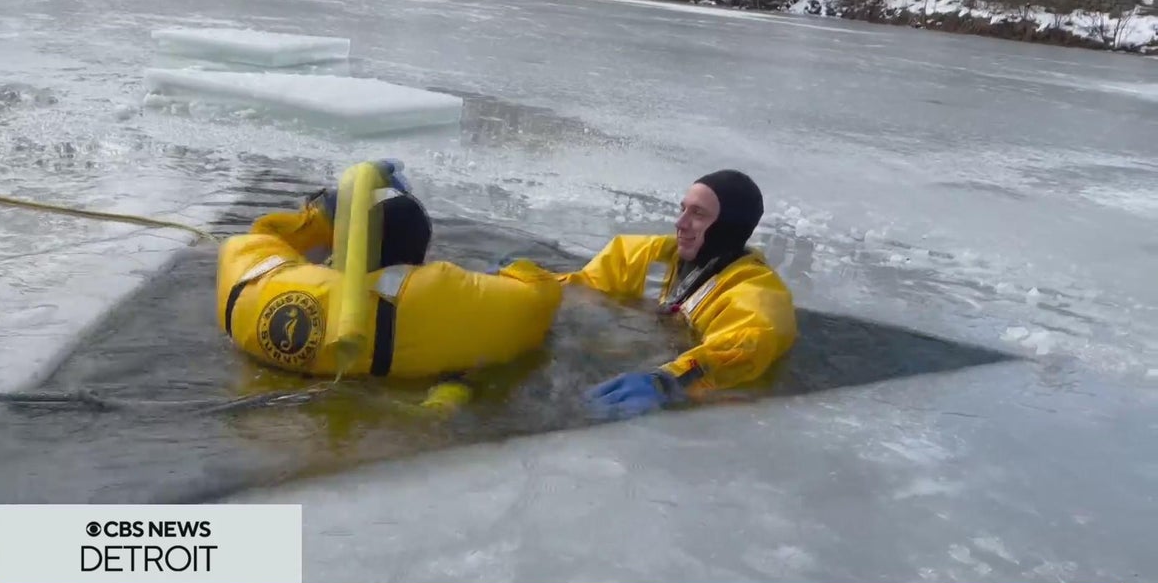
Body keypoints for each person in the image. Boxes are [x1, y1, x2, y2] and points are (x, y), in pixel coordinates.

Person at [215, 160, 563, 410]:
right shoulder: (435, 301)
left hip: (261, 391)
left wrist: (326, 216)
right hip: (392, 397)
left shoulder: (257, 280)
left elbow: (264, 234)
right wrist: (512, 268)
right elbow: (541, 295)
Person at [509, 169, 797, 420]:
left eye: (698, 214)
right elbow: (585, 285)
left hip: (664, 377)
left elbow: (742, 348)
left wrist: (667, 382)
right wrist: (526, 283)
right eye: (683, 209)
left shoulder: (757, 294)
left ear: (728, 226)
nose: (680, 223)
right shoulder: (653, 255)